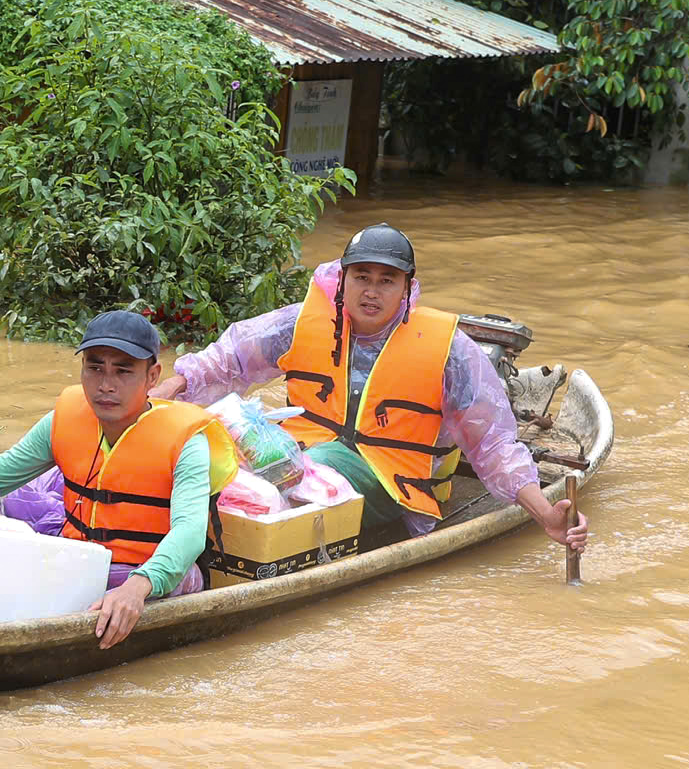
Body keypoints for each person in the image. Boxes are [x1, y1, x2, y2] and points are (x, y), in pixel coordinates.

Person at [154, 224, 590, 553]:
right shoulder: (302, 323)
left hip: (393, 484)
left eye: (387, 280)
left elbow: (493, 442)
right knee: (218, 451)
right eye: (362, 277)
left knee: (305, 470)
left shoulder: (451, 350)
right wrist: (175, 385)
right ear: (342, 280)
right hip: (299, 460)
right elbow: (230, 358)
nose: (372, 291)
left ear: (406, 287)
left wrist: (544, 514)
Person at [0, 310, 235, 650]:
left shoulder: (187, 441)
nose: (105, 385)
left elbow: (189, 534)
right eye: (95, 368)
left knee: (77, 591)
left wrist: (138, 586)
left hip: (152, 572)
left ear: (152, 377)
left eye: (123, 371)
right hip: (78, 559)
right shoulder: (63, 419)